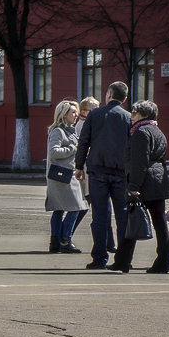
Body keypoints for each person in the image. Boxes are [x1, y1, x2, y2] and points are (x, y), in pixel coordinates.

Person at [110, 100, 169, 274]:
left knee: (133, 219)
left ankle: (123, 261)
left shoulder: (141, 133)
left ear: (144, 115)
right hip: (158, 181)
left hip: (144, 182)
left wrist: (134, 185)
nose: (132, 115)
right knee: (159, 223)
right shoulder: (157, 131)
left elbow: (139, 162)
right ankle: (162, 262)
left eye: (135, 112)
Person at [76, 82, 131, 269]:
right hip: (121, 173)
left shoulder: (95, 114)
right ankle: (124, 260)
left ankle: (99, 258)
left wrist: (78, 166)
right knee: (122, 216)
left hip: (97, 170)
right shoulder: (128, 117)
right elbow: (132, 148)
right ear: (124, 99)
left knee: (100, 215)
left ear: (108, 94)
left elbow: (84, 141)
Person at [45, 100, 87, 254]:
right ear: (63, 114)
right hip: (62, 176)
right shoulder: (58, 131)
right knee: (76, 207)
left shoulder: (70, 130)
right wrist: (73, 148)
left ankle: (55, 242)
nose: (76, 115)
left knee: (60, 209)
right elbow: (54, 152)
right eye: (73, 112)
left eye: (76, 112)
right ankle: (65, 239)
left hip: (67, 175)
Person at [72, 96, 101, 245]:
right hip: (85, 170)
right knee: (83, 205)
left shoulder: (88, 123)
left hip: (88, 170)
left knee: (85, 205)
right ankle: (66, 235)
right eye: (93, 109)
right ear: (83, 111)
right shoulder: (82, 125)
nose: (97, 111)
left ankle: (65, 235)